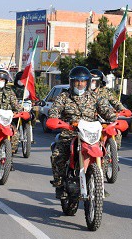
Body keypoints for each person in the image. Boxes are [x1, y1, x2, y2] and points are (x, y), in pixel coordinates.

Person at [48, 66, 116, 199]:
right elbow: (54, 111)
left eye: (83, 81)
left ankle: (99, 184)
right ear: (72, 82)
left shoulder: (95, 97)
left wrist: (114, 120)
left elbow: (107, 111)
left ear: (88, 82)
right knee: (57, 155)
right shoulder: (64, 97)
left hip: (90, 134)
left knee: (104, 155)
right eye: (77, 81)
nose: (80, 84)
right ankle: (60, 185)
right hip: (70, 133)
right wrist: (56, 120)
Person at [89, 69, 130, 146]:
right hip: (90, 119)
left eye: (94, 80)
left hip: (105, 118)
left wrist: (123, 109)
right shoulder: (85, 93)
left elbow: (115, 102)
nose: (92, 82)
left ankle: (114, 149)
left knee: (117, 132)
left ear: (99, 81)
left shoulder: (105, 92)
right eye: (90, 80)